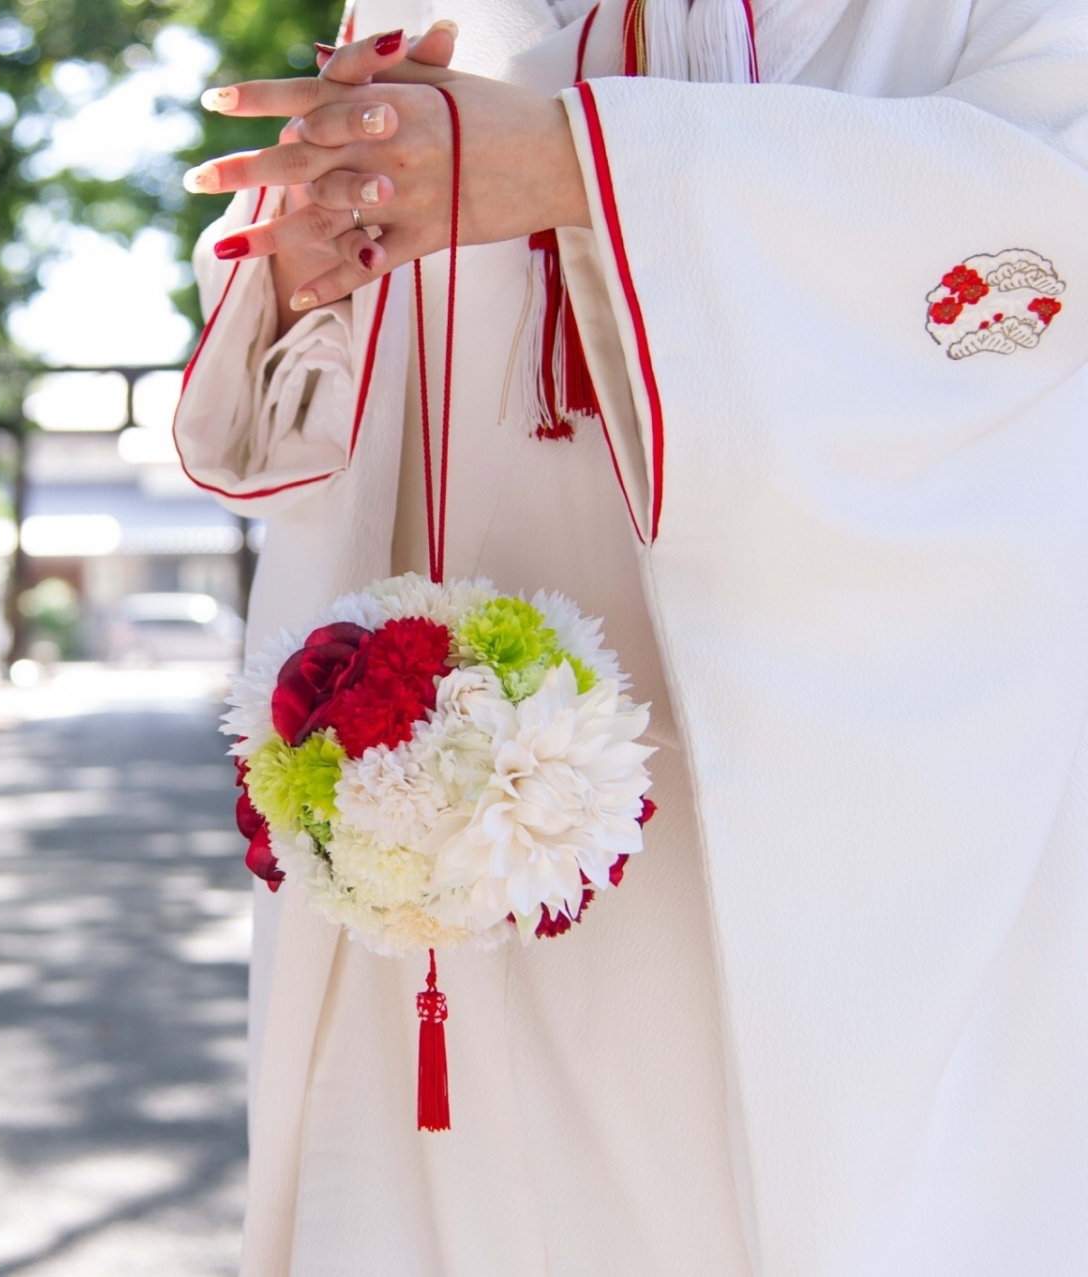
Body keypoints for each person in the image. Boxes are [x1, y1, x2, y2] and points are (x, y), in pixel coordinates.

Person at [171, 2, 1088, 1274]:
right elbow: (311, 425)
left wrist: (580, 164)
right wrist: (315, 242)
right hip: (458, 779)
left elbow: (1050, 214)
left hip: (818, 769)